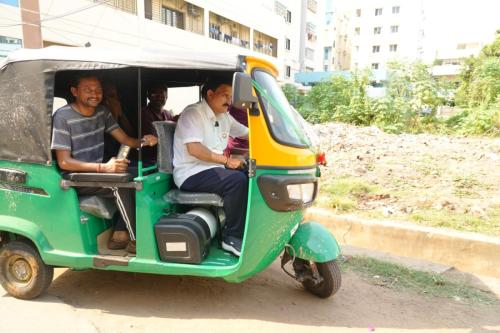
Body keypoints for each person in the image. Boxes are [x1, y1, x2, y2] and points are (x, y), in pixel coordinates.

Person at [51, 73, 158, 253]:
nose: (95, 94)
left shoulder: (102, 112)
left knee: (143, 174)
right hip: (77, 176)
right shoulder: (62, 116)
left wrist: (146, 141)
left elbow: (125, 139)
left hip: (98, 173)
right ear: (74, 92)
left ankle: (120, 233)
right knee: (120, 185)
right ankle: (137, 240)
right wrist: (104, 168)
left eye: (98, 90)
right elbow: (64, 162)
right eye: (88, 90)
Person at [173, 77, 248, 257]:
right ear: (210, 94)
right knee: (236, 181)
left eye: (231, 97)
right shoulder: (193, 113)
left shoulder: (224, 117)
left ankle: (244, 224)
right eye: (225, 96)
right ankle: (232, 237)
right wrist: (226, 161)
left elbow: (247, 133)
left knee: (250, 173)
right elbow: (195, 149)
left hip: (211, 169)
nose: (229, 101)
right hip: (190, 172)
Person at [141, 83, 178, 165]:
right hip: (149, 159)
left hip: (166, 157)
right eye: (154, 94)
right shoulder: (144, 113)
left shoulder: (168, 114)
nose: (158, 98)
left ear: (166, 97)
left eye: (162, 94)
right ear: (149, 96)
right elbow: (153, 138)